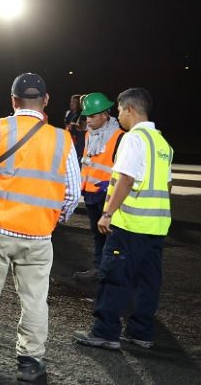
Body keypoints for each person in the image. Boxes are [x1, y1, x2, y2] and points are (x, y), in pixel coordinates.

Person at [0, 73, 80, 382]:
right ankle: (29, 363)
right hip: (38, 235)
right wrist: (53, 220)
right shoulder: (61, 138)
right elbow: (73, 193)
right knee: (35, 301)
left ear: (13, 101)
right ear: (46, 101)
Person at [73, 88, 173, 351]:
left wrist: (108, 213)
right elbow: (167, 185)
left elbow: (126, 178)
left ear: (129, 109)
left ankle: (105, 332)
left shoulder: (133, 139)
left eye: (119, 110)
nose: (119, 115)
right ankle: (141, 332)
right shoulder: (162, 143)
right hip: (157, 225)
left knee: (114, 277)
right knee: (148, 281)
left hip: (131, 224)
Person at [73, 93, 124, 281]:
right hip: (91, 194)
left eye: (93, 116)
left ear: (105, 114)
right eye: (87, 116)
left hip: (108, 195)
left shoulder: (119, 137)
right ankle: (99, 269)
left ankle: (110, 273)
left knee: (111, 237)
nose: (89, 120)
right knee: (97, 235)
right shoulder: (89, 135)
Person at [65, 94, 86, 161]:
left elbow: (83, 127)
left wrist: (73, 125)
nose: (72, 103)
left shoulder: (82, 114)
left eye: (75, 102)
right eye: (71, 101)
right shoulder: (68, 113)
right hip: (69, 139)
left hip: (78, 141)